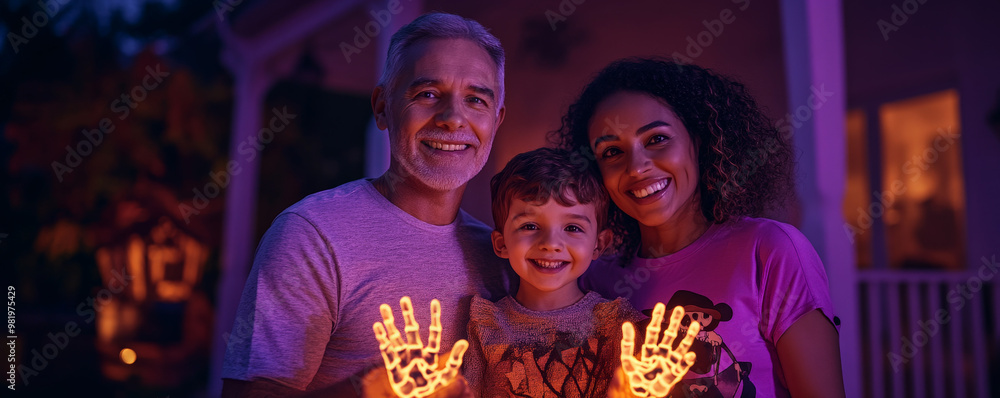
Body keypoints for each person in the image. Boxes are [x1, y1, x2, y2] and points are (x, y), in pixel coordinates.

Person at [221, 12, 513, 397]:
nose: (452, 118)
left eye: (475, 100)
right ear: (382, 107)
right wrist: (370, 389)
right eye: (427, 94)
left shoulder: (502, 255)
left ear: (496, 120)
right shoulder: (314, 236)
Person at [552, 58, 847, 398]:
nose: (636, 167)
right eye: (612, 151)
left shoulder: (769, 251)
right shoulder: (590, 280)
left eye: (657, 139)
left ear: (700, 139)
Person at [463, 147, 644, 397]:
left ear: (598, 244)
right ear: (501, 243)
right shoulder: (486, 326)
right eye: (530, 225)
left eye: (572, 227)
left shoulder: (617, 325)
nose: (550, 243)